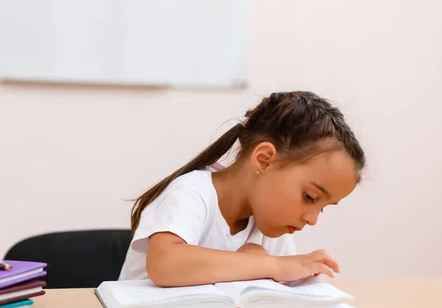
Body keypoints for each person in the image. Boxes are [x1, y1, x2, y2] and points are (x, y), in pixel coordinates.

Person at [118, 91, 366, 287]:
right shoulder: (191, 193)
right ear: (264, 159)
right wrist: (271, 266)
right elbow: (165, 264)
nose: (312, 219)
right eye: (310, 197)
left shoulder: (273, 226)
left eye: (322, 209)